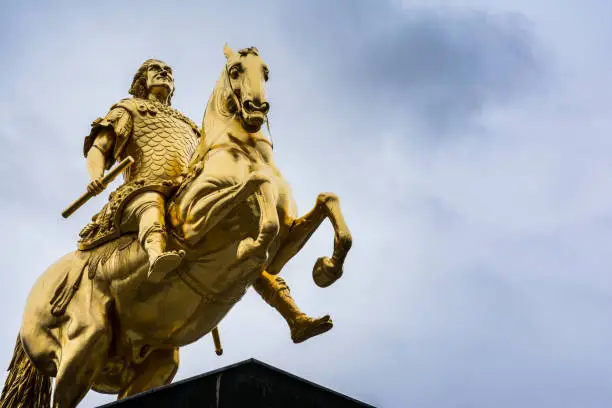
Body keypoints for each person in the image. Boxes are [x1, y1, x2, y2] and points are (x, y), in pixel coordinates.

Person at [80, 59, 332, 342]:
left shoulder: (189, 124)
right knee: (151, 202)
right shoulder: (128, 109)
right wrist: (96, 175)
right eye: (155, 70)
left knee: (246, 246)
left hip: (183, 190)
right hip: (144, 188)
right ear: (142, 80)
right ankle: (156, 255)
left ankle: (293, 316)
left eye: (169, 72)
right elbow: (99, 147)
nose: (164, 74)